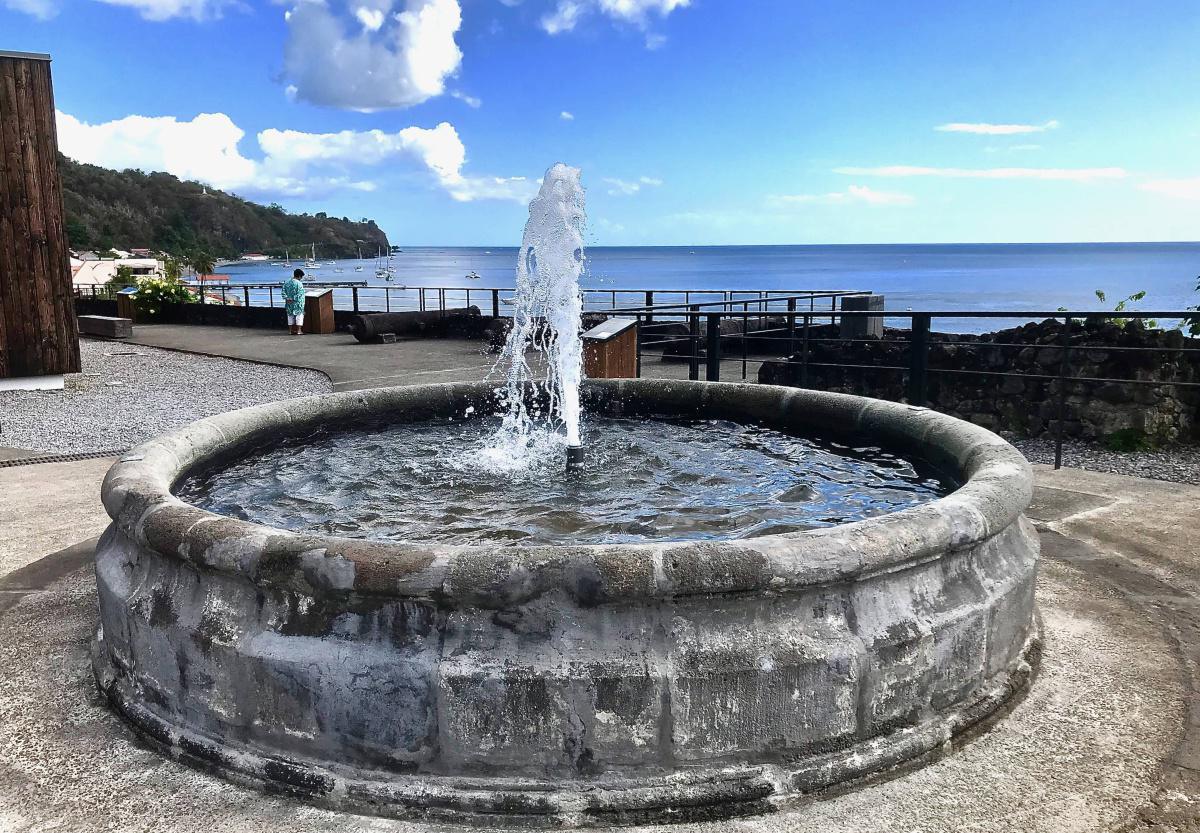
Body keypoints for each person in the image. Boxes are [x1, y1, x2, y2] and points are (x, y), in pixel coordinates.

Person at [282, 268, 305, 335]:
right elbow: (300, 294)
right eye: (301, 277)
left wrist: (287, 298)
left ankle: (290, 331)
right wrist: (294, 298)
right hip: (298, 303)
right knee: (299, 316)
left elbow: (283, 291)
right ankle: (299, 330)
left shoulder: (287, 282)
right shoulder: (299, 284)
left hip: (289, 303)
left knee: (290, 316)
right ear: (299, 276)